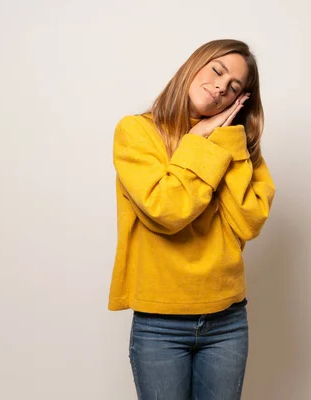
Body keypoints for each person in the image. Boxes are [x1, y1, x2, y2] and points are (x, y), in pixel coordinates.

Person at [108, 39, 276, 400]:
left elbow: (249, 221)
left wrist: (227, 139)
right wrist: (197, 139)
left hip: (228, 319)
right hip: (160, 321)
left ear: (239, 101)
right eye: (218, 71)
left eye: (234, 88)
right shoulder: (136, 132)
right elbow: (167, 211)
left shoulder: (237, 144)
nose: (221, 87)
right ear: (193, 65)